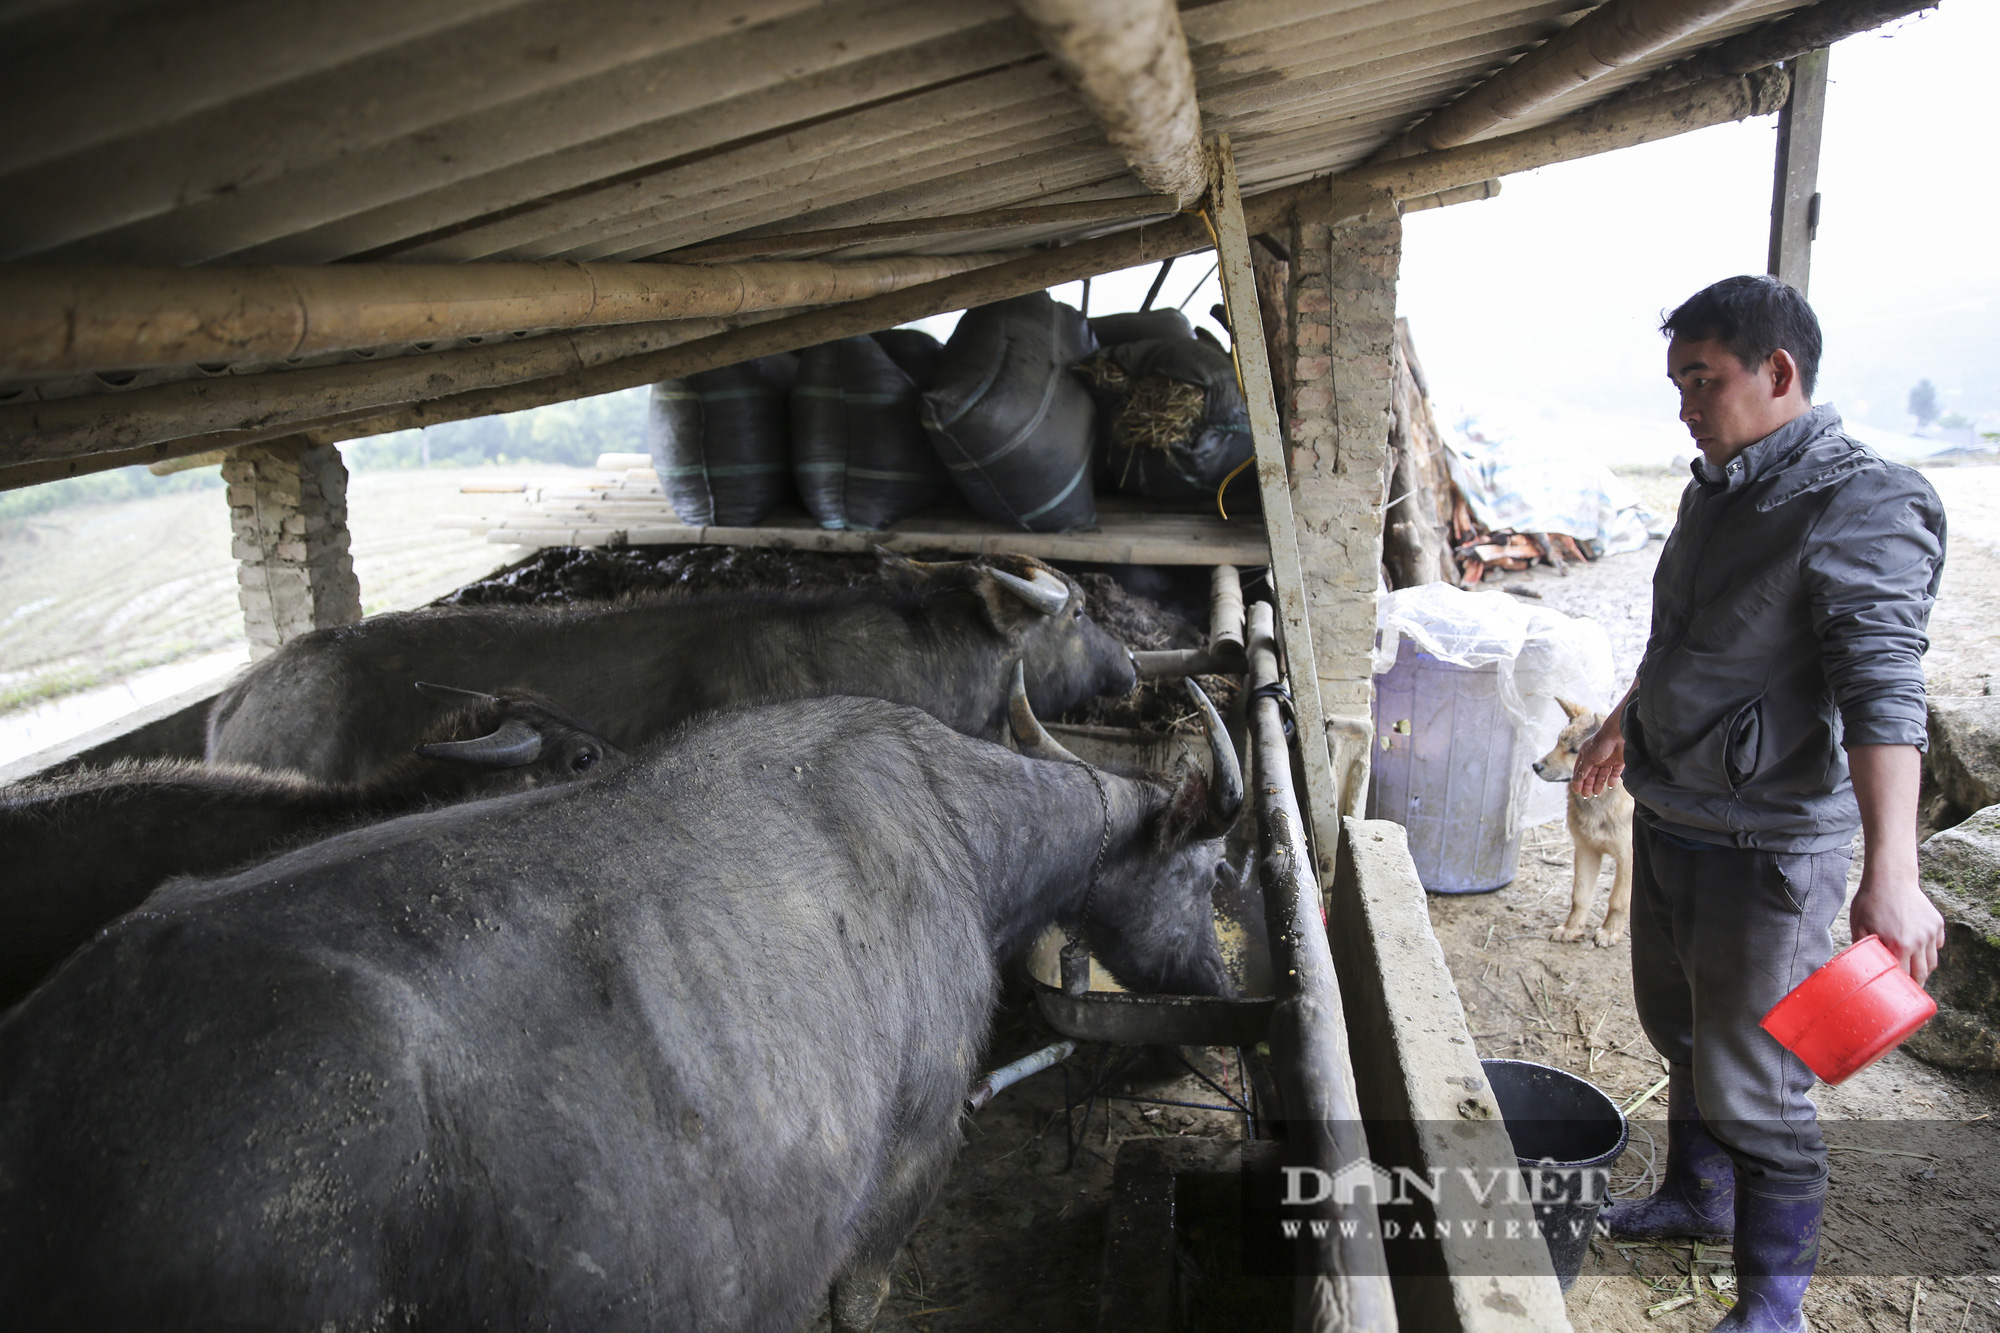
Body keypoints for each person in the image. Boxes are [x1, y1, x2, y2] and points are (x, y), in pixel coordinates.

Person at [1571, 275, 1947, 1333]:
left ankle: (1771, 1306)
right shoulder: (1718, 485)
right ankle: (1697, 1195)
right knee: (1682, 1029)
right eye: (1676, 381)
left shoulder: (1859, 499)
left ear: (1777, 373)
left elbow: (1882, 687)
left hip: (1768, 843)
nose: (1684, 404)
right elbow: (1686, 638)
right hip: (1681, 809)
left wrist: (1892, 871)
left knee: (1759, 1082)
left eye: (1702, 379)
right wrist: (1619, 718)